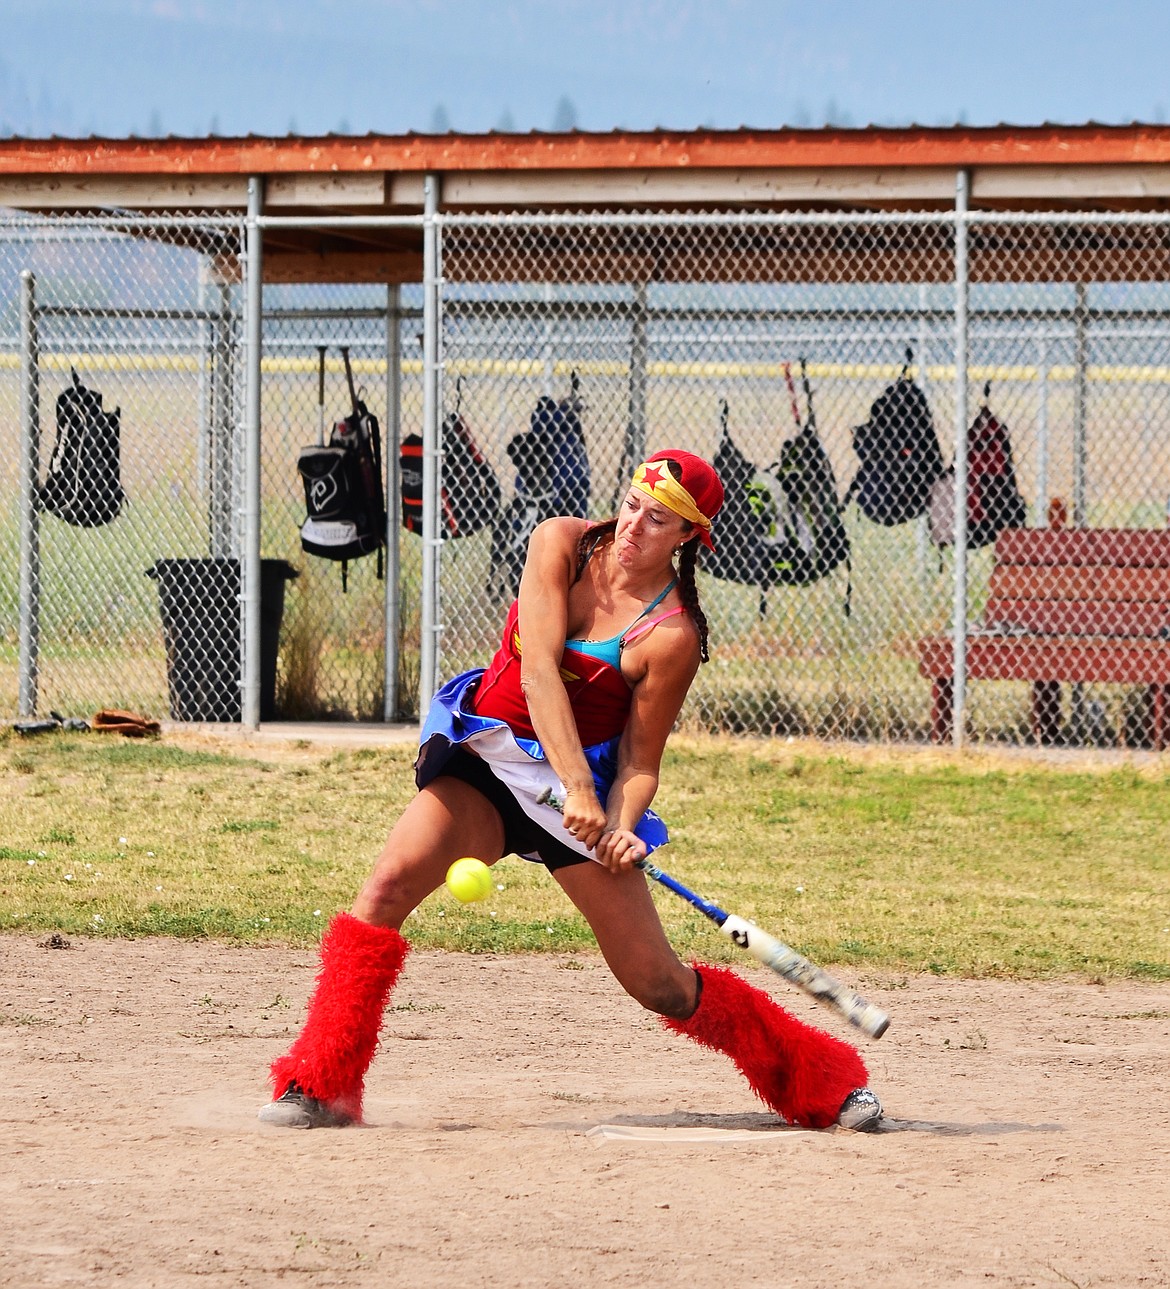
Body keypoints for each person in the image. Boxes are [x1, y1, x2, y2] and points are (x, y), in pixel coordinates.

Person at [259, 448, 883, 1133]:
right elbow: (538, 674)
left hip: (575, 808)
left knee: (659, 984)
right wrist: (580, 788)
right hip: (492, 757)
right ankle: (320, 1083)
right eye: (633, 504)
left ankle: (824, 1081)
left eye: (660, 519)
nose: (634, 526)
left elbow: (642, 761)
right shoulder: (558, 541)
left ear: (687, 537)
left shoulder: (671, 635)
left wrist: (619, 823)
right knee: (383, 890)